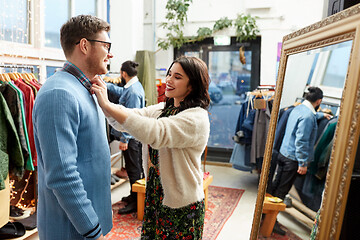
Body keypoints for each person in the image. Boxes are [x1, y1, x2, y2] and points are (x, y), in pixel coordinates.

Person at [91, 56, 210, 239]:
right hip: (156, 197)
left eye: (177, 77)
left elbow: (155, 133)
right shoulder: (163, 109)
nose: (169, 80)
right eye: (169, 74)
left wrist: (106, 104)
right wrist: (103, 99)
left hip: (182, 204)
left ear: (192, 85)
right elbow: (128, 118)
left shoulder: (197, 118)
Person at [32, 15, 113, 240]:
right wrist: (92, 229)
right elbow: (62, 174)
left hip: (86, 223)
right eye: (106, 45)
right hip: (72, 229)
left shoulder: (85, 88)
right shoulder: (60, 94)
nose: (110, 53)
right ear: (85, 45)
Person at [270, 87, 331, 235]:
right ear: (319, 101)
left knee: (276, 187)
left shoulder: (298, 109)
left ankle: (267, 217)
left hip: (284, 153)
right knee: (281, 191)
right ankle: (271, 223)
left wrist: (320, 115)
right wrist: (303, 163)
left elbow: (307, 119)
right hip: (293, 159)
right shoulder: (308, 116)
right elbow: (302, 140)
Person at [107, 60, 145, 214]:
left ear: (123, 74)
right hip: (134, 137)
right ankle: (134, 195)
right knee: (133, 167)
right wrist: (106, 86)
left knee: (134, 169)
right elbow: (122, 93)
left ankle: (136, 202)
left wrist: (124, 139)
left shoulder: (133, 92)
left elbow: (131, 117)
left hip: (132, 138)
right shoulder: (133, 86)